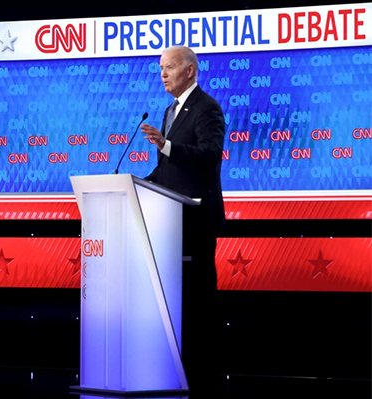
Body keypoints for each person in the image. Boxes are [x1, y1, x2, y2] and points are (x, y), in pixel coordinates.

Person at [140, 46, 225, 397]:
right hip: (170, 224)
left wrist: (168, 145)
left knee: (198, 303)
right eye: (161, 68)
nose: (162, 74)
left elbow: (209, 154)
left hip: (196, 221)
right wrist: (136, 185)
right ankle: (177, 369)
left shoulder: (207, 107)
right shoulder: (170, 110)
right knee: (175, 304)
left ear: (189, 71)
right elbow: (167, 170)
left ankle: (204, 378)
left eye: (169, 67)